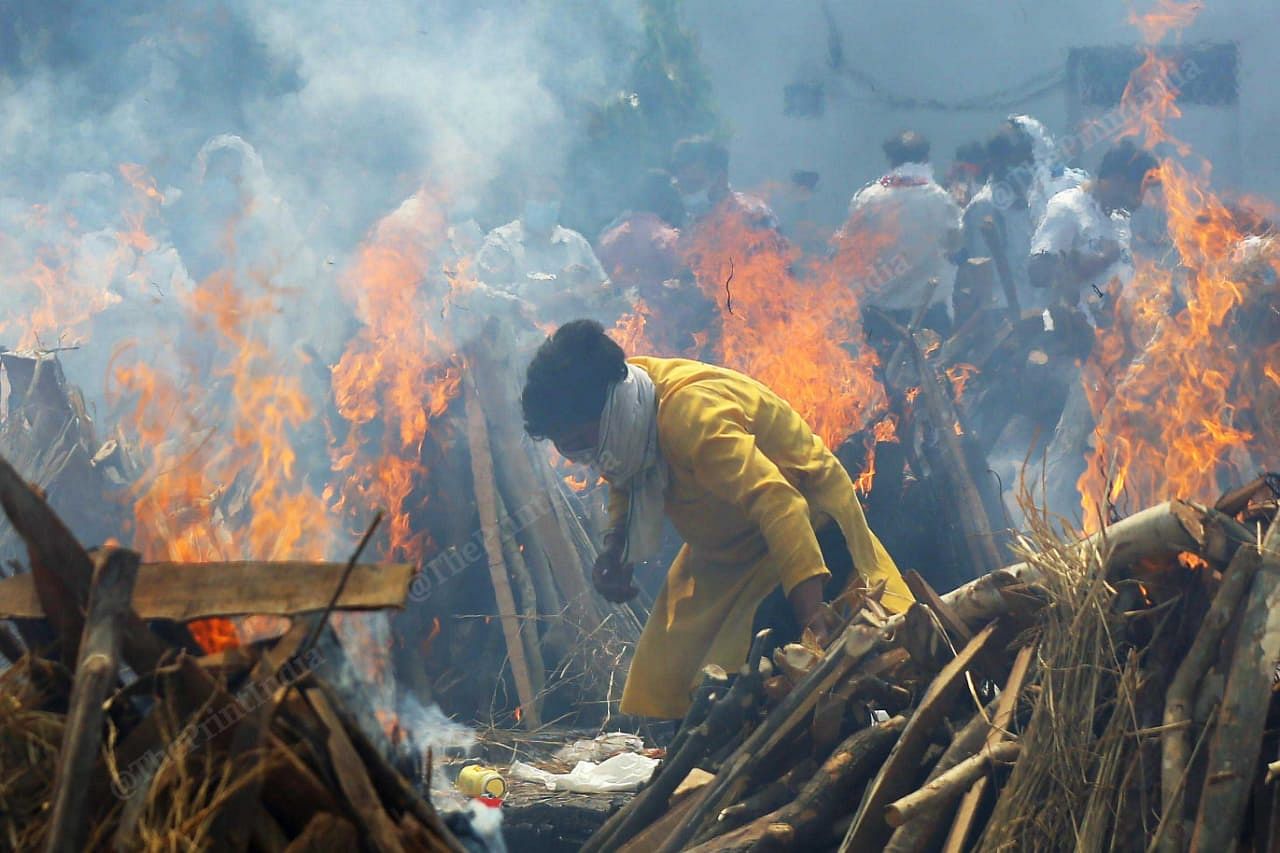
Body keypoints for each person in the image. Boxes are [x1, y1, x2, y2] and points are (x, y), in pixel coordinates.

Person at [521, 320, 912, 718]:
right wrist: (615, 546)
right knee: (671, 667)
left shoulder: (692, 414)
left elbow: (781, 504)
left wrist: (812, 617)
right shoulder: (626, 409)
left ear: (605, 408)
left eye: (578, 443)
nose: (576, 457)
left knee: (753, 671)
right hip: (726, 545)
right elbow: (623, 473)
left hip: (805, 530)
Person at [841, 130, 962, 335]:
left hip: (880, 315)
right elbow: (955, 246)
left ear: (890, 159)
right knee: (933, 366)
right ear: (925, 158)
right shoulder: (940, 199)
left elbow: (849, 251)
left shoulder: (868, 199)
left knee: (878, 367)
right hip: (928, 313)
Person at [1029, 139, 1159, 323]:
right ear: (1118, 180)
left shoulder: (1118, 217)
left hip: (1117, 335)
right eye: (1140, 188)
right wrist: (1099, 261)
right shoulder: (1067, 207)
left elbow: (1115, 275)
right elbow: (1037, 272)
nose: (1141, 198)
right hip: (1077, 337)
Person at [476, 176, 620, 327]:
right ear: (523, 200)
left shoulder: (575, 242)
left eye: (551, 198)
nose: (545, 203)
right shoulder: (501, 242)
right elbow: (483, 291)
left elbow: (604, 286)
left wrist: (586, 291)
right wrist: (553, 285)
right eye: (539, 196)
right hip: (521, 343)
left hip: (574, 339)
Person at [595, 169, 713, 355]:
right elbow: (690, 280)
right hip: (660, 333)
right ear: (666, 200)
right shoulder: (666, 239)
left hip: (616, 332)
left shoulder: (609, 237)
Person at [960, 120, 1039, 312]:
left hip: (1033, 306)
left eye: (1028, 161)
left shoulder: (1032, 200)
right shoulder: (984, 206)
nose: (1024, 168)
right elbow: (981, 269)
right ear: (995, 162)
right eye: (1016, 161)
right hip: (1002, 311)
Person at [669, 136, 777, 230]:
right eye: (682, 185)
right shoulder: (682, 226)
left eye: (694, 184)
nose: (688, 193)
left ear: (720, 179)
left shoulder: (754, 216)